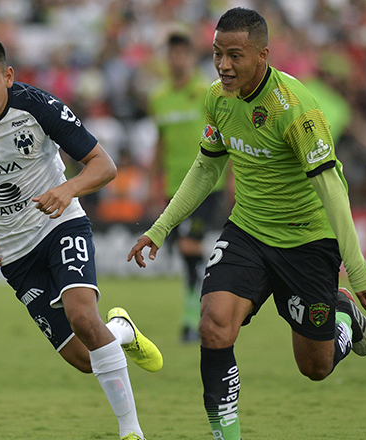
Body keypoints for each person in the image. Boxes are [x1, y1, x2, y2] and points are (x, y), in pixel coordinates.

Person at [127, 8, 366, 440]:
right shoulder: (217, 99)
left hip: (307, 240)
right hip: (249, 229)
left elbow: (332, 186)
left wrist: (354, 265)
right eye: (217, 54)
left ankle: (345, 322)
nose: (223, 65)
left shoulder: (295, 109)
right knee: (213, 324)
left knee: (314, 367)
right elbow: (206, 169)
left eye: (235, 56)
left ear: (262, 55)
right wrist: (160, 227)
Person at [0, 34, 162, 440]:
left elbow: (103, 166)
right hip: (13, 252)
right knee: (86, 358)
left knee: (83, 317)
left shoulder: (37, 107)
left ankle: (131, 432)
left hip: (59, 224)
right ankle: (123, 330)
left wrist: (68, 189)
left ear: (8, 76)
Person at [147, 31, 229, 343]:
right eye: (172, 53)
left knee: (187, 246)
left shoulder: (208, 92)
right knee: (187, 257)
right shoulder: (158, 97)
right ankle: (192, 314)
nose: (176, 59)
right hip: (174, 185)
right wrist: (152, 181)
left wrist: (234, 178)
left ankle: (191, 319)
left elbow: (225, 136)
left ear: (192, 58)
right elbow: (160, 141)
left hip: (209, 183)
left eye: (182, 53)